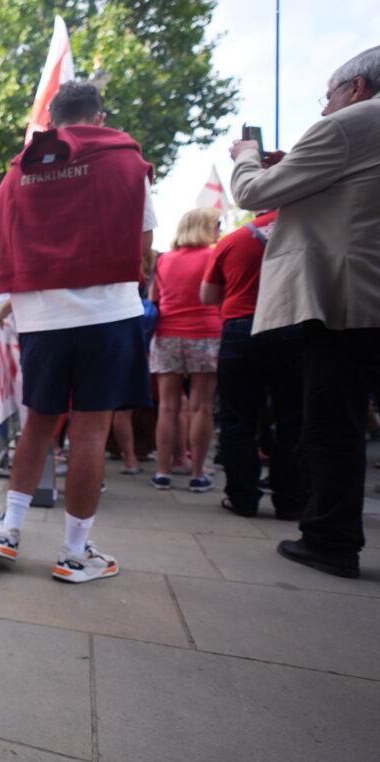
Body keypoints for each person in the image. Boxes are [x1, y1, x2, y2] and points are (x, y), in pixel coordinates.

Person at [0, 81, 155, 584]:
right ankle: (74, 554)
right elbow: (145, 241)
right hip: (110, 313)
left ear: (53, 119)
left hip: (42, 319)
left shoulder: (19, 173)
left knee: (39, 425)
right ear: (99, 115)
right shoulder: (124, 159)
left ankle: (9, 530)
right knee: (91, 430)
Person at [230, 46, 380, 579]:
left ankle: (331, 539)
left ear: (357, 88)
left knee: (333, 425)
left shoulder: (350, 124)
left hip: (348, 299)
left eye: (328, 97)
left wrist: (246, 156)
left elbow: (253, 193)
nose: (323, 111)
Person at [200, 210, 306, 519]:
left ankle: (243, 499)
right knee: (294, 418)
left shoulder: (233, 239)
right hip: (294, 325)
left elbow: (208, 295)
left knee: (238, 419)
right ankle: (291, 501)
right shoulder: (307, 232)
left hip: (241, 329)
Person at [148, 208, 222, 492]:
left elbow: (154, 298)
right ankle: (197, 473)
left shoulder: (164, 260)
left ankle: (163, 471)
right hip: (206, 333)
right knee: (201, 406)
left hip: (167, 334)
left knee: (167, 406)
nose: (218, 230)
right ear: (206, 227)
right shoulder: (213, 256)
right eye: (217, 225)